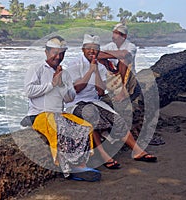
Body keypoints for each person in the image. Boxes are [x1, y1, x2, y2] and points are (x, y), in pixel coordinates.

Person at [65, 34, 157, 170]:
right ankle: (104, 155)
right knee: (90, 115)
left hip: (94, 101)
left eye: (95, 48)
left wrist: (96, 72)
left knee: (117, 120)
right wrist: (90, 71)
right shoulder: (73, 65)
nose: (92, 51)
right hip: (76, 103)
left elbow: (101, 92)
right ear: (82, 49)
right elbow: (76, 89)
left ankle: (137, 150)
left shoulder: (100, 67)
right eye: (89, 48)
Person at [24, 36, 101, 182]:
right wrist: (52, 84)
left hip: (58, 113)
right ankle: (70, 169)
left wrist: (61, 85)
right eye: (55, 53)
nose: (58, 57)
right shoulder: (36, 69)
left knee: (85, 126)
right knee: (61, 127)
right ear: (47, 52)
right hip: (40, 114)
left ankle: (81, 165)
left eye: (61, 54)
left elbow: (70, 98)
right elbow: (29, 91)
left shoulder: (64, 73)